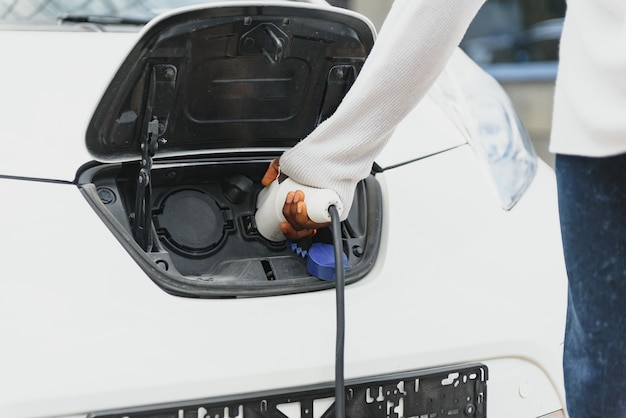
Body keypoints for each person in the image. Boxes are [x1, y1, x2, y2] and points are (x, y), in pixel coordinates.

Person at [262, 1, 626, 416]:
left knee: (604, 375)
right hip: (600, 129)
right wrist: (333, 161)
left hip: (603, 138)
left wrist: (330, 162)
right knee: (600, 373)